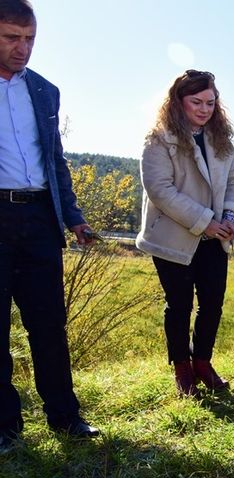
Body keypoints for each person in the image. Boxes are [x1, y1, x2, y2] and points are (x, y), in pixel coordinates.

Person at [0, 0, 100, 453]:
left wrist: (73, 217)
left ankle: (65, 417)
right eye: (11, 38)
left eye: (30, 39)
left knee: (49, 323)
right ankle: (5, 428)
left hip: (40, 219)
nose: (23, 49)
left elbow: (54, 160)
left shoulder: (44, 90)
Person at [137, 70, 234, 397]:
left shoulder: (220, 137)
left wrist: (227, 216)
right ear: (178, 102)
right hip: (173, 237)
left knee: (213, 302)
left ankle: (203, 362)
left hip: (215, 237)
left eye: (210, 102)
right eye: (196, 102)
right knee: (179, 304)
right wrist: (205, 220)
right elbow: (160, 190)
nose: (204, 108)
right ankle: (182, 368)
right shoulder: (159, 139)